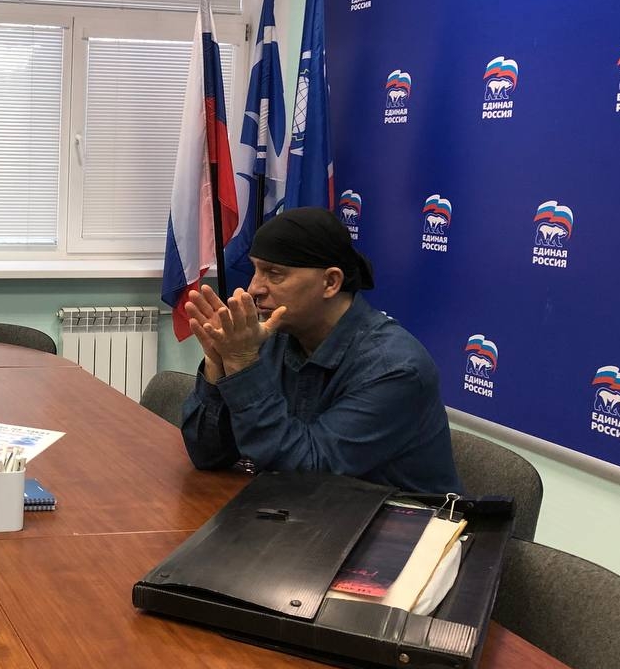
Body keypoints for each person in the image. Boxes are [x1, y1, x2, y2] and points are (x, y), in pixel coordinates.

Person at [179, 207, 459, 493]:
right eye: (256, 270)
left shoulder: (394, 368)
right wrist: (217, 361)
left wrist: (242, 363)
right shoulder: (273, 337)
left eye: (274, 274)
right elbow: (208, 454)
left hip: (400, 519)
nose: (253, 289)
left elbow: (306, 473)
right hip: (317, 512)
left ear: (331, 282)